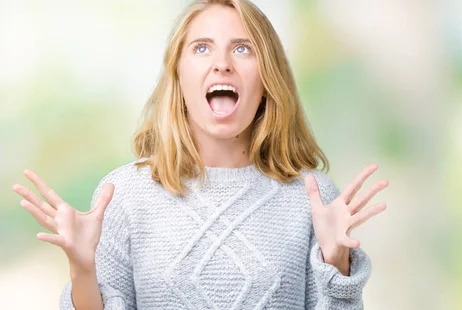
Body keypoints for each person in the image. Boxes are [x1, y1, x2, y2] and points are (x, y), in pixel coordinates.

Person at [11, 0, 388, 309]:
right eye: (201, 47)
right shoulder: (123, 196)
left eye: (243, 48)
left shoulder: (313, 198)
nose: (221, 63)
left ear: (268, 78)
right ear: (178, 75)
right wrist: (81, 269)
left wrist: (337, 265)